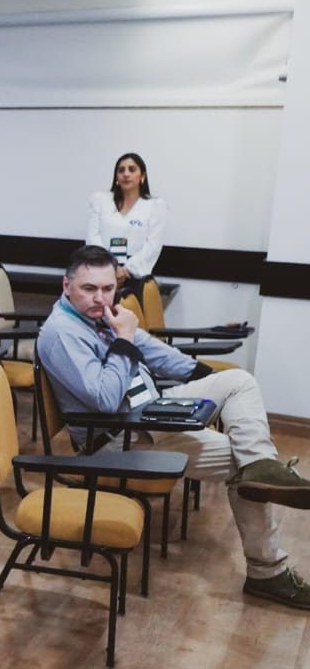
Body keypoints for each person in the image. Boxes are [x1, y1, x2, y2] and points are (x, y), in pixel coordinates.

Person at [38, 244, 310, 608]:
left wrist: (203, 376)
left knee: (239, 383)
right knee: (241, 465)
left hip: (147, 414)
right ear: (66, 286)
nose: (100, 298)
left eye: (107, 288)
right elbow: (105, 398)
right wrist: (124, 339)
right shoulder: (61, 332)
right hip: (116, 439)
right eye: (89, 288)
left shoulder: (101, 315)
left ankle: (262, 466)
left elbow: (154, 353)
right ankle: (268, 572)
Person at [84, 152, 166, 300]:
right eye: (121, 170)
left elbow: (153, 246)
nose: (126, 174)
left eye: (132, 169)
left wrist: (125, 270)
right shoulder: (100, 200)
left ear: (142, 176)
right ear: (116, 177)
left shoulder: (155, 206)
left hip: (136, 277)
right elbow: (92, 238)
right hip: (101, 274)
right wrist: (111, 268)